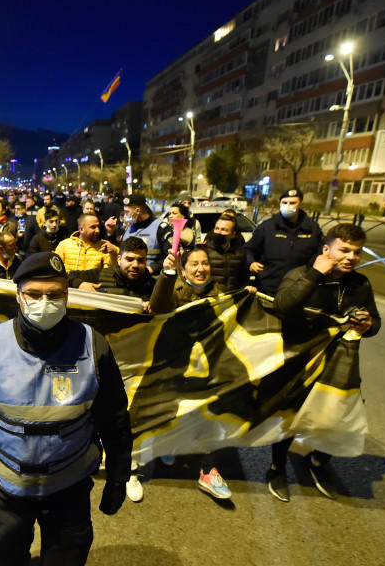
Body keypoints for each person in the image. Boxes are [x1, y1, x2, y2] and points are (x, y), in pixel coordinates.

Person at [0, 252, 132, 564]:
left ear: (67, 296)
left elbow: (115, 420)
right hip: (8, 492)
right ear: (18, 296)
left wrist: (118, 476)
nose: (45, 302)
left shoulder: (93, 345)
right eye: (34, 294)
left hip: (70, 490)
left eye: (55, 294)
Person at [266, 224, 380, 502]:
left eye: (357, 252)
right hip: (301, 363)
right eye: (344, 250)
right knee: (292, 417)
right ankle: (277, 468)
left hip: (341, 366)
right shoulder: (301, 274)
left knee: (340, 415)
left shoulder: (361, 284)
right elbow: (282, 306)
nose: (351, 257)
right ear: (326, 249)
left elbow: (375, 322)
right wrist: (316, 274)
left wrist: (368, 324)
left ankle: (318, 462)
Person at [148, 247, 230, 500]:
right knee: (174, 410)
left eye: (205, 264)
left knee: (211, 417)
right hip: (175, 364)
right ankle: (170, 445)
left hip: (208, 367)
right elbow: (159, 305)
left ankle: (208, 469)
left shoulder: (223, 294)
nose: (200, 269)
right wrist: (167, 273)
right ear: (184, 269)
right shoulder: (175, 288)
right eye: (194, 264)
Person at [245, 188, 323, 295]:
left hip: (299, 288)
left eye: (292, 203)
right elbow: (249, 249)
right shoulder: (267, 227)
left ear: (300, 204)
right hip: (267, 287)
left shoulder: (312, 229)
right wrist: (251, 263)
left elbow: (320, 253)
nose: (288, 205)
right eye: (284, 202)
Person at [68, 236, 156, 300]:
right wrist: (80, 284)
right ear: (119, 259)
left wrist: (154, 304)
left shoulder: (154, 285)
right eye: (129, 259)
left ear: (146, 260)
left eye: (141, 260)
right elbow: (65, 276)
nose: (135, 265)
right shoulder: (101, 275)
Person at [107, 194, 171, 275]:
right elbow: (121, 253)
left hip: (151, 279)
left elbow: (170, 257)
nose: (125, 216)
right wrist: (111, 233)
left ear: (137, 211)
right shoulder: (129, 228)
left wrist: (153, 268)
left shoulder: (161, 228)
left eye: (127, 212)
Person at [203, 213, 250, 292]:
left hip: (233, 298)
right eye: (217, 228)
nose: (219, 232)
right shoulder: (205, 252)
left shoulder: (240, 253)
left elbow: (244, 278)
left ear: (233, 234)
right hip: (212, 298)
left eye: (224, 230)